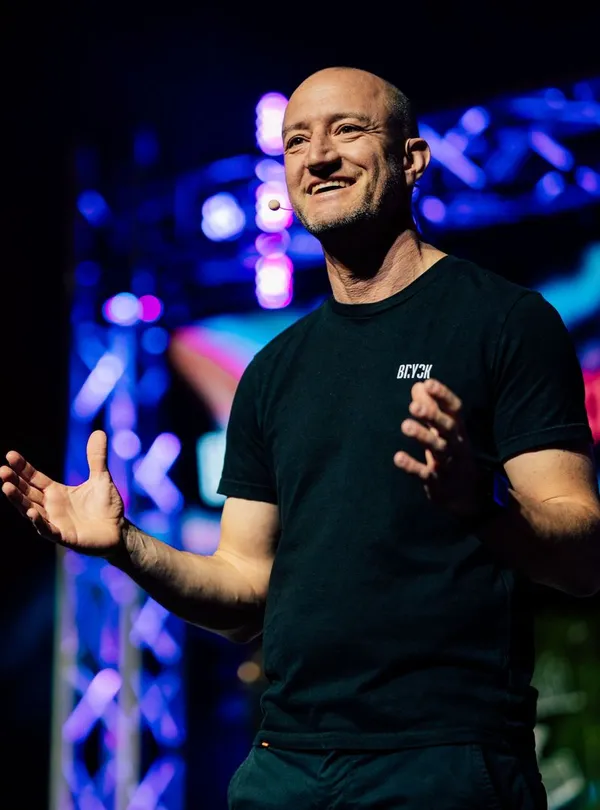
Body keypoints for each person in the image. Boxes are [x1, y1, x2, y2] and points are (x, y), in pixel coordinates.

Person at [2, 66, 599, 809]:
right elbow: (244, 590)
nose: (318, 156)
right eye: (296, 141)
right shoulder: (273, 372)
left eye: (347, 130)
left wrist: (481, 507)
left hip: (442, 761)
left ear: (412, 159)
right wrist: (126, 548)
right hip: (285, 767)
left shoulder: (505, 322)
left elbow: (582, 557)